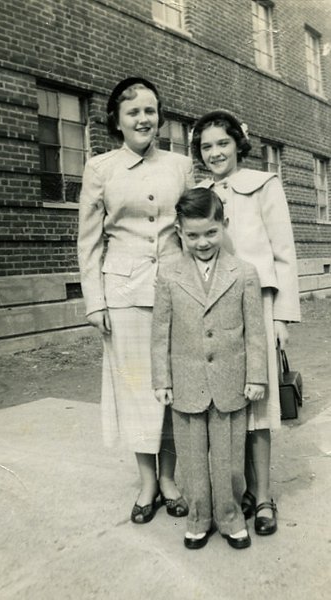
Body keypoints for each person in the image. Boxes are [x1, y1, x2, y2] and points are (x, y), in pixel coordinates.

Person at [77, 77, 194, 524]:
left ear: (159, 116)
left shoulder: (180, 166)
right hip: (122, 293)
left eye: (150, 110)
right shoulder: (100, 168)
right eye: (133, 112)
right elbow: (88, 241)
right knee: (135, 391)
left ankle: (170, 478)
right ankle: (147, 483)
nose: (143, 119)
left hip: (174, 290)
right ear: (117, 121)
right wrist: (95, 300)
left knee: (172, 386)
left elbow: (192, 231)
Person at [191, 109, 301, 536]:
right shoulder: (198, 193)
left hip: (257, 306)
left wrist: (282, 317)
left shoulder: (264, 185)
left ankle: (266, 495)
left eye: (223, 143)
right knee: (223, 404)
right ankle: (238, 492)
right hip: (214, 310)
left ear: (238, 143)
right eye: (206, 146)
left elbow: (284, 251)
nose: (216, 152)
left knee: (258, 406)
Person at [151, 187, 267, 550]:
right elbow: (159, 334)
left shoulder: (244, 273)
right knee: (192, 459)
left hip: (231, 383)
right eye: (193, 235)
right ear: (180, 233)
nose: (202, 242)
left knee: (231, 459)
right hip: (186, 383)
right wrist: (162, 380)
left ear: (224, 226)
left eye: (211, 233)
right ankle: (199, 517)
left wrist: (256, 376)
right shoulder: (169, 276)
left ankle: (231, 518)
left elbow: (255, 332)